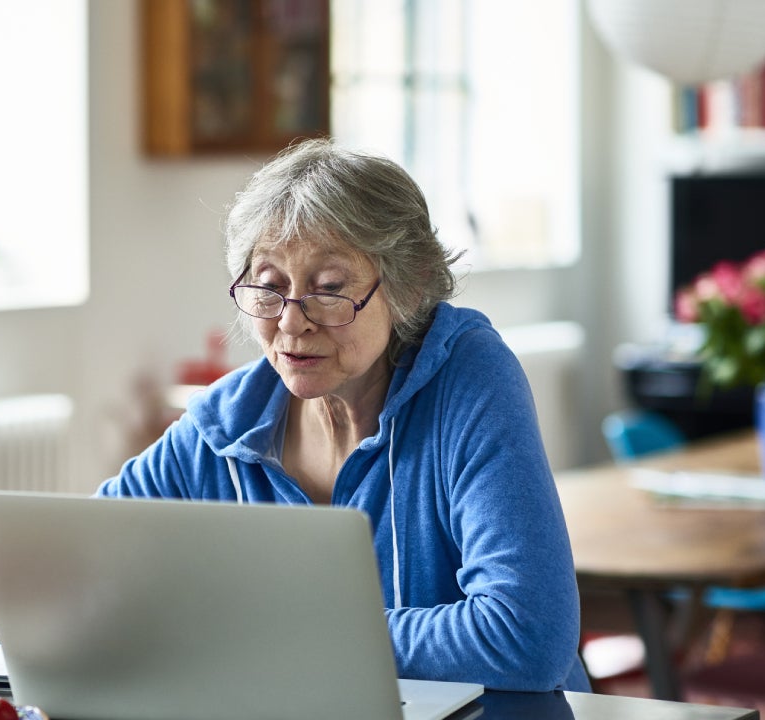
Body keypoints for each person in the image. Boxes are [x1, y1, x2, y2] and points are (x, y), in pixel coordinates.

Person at [96, 137, 590, 693]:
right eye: (270, 285)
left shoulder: (469, 380)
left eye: (329, 290)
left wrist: (282, 636)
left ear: (412, 285)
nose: (291, 322)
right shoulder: (227, 422)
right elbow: (87, 563)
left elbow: (526, 636)